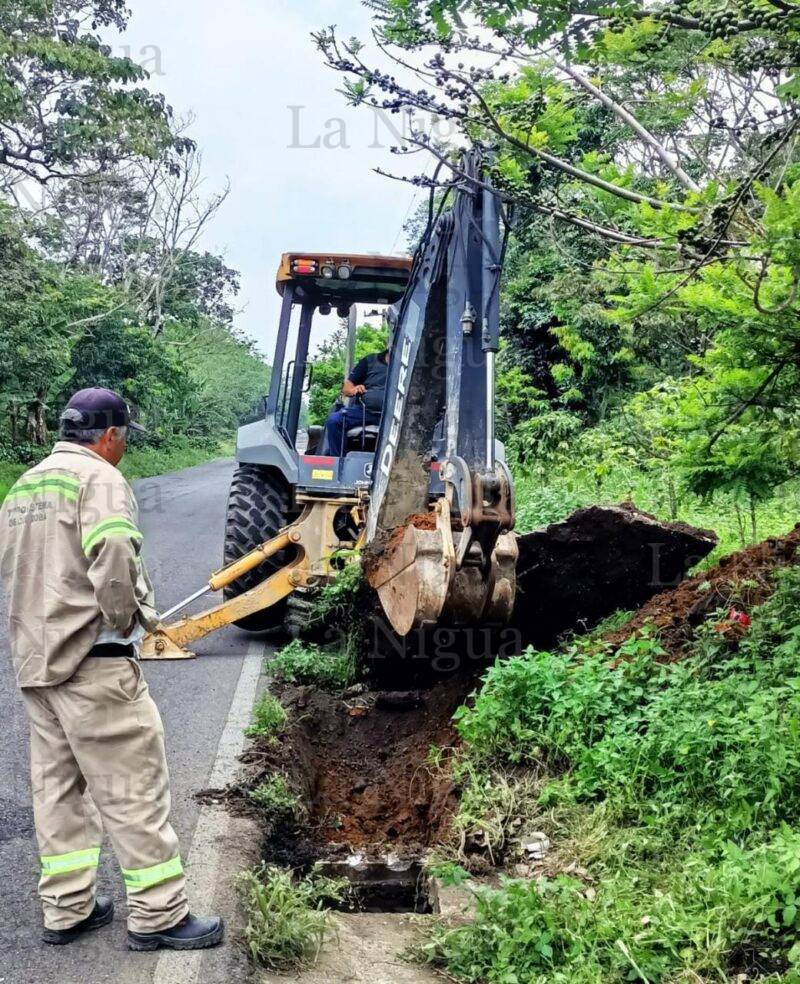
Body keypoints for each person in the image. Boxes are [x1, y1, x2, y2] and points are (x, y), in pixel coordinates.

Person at [0, 388, 223, 951]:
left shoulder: (25, 486)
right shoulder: (98, 480)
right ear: (110, 437)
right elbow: (116, 556)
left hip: (37, 667)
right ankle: (159, 915)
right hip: (93, 666)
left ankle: (68, 908)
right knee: (133, 790)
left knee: (58, 792)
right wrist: (125, 623)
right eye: (123, 440)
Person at [322, 348, 389, 455]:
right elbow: (346, 388)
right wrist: (354, 389)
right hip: (364, 412)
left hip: (393, 417)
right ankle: (339, 461)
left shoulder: (409, 367)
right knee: (334, 421)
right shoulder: (369, 361)